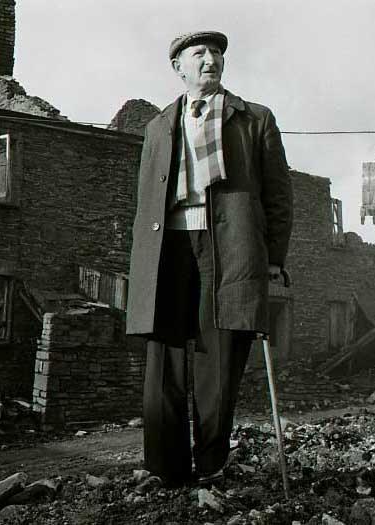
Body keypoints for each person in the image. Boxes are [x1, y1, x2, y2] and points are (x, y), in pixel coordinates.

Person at [126, 31, 293, 486]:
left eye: (216, 53)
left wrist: (273, 257)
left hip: (230, 250)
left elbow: (278, 195)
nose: (210, 60)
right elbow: (146, 199)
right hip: (168, 247)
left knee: (218, 359)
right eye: (198, 53)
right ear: (178, 67)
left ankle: (212, 465)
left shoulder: (253, 119)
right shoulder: (158, 126)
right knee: (165, 357)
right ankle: (165, 468)